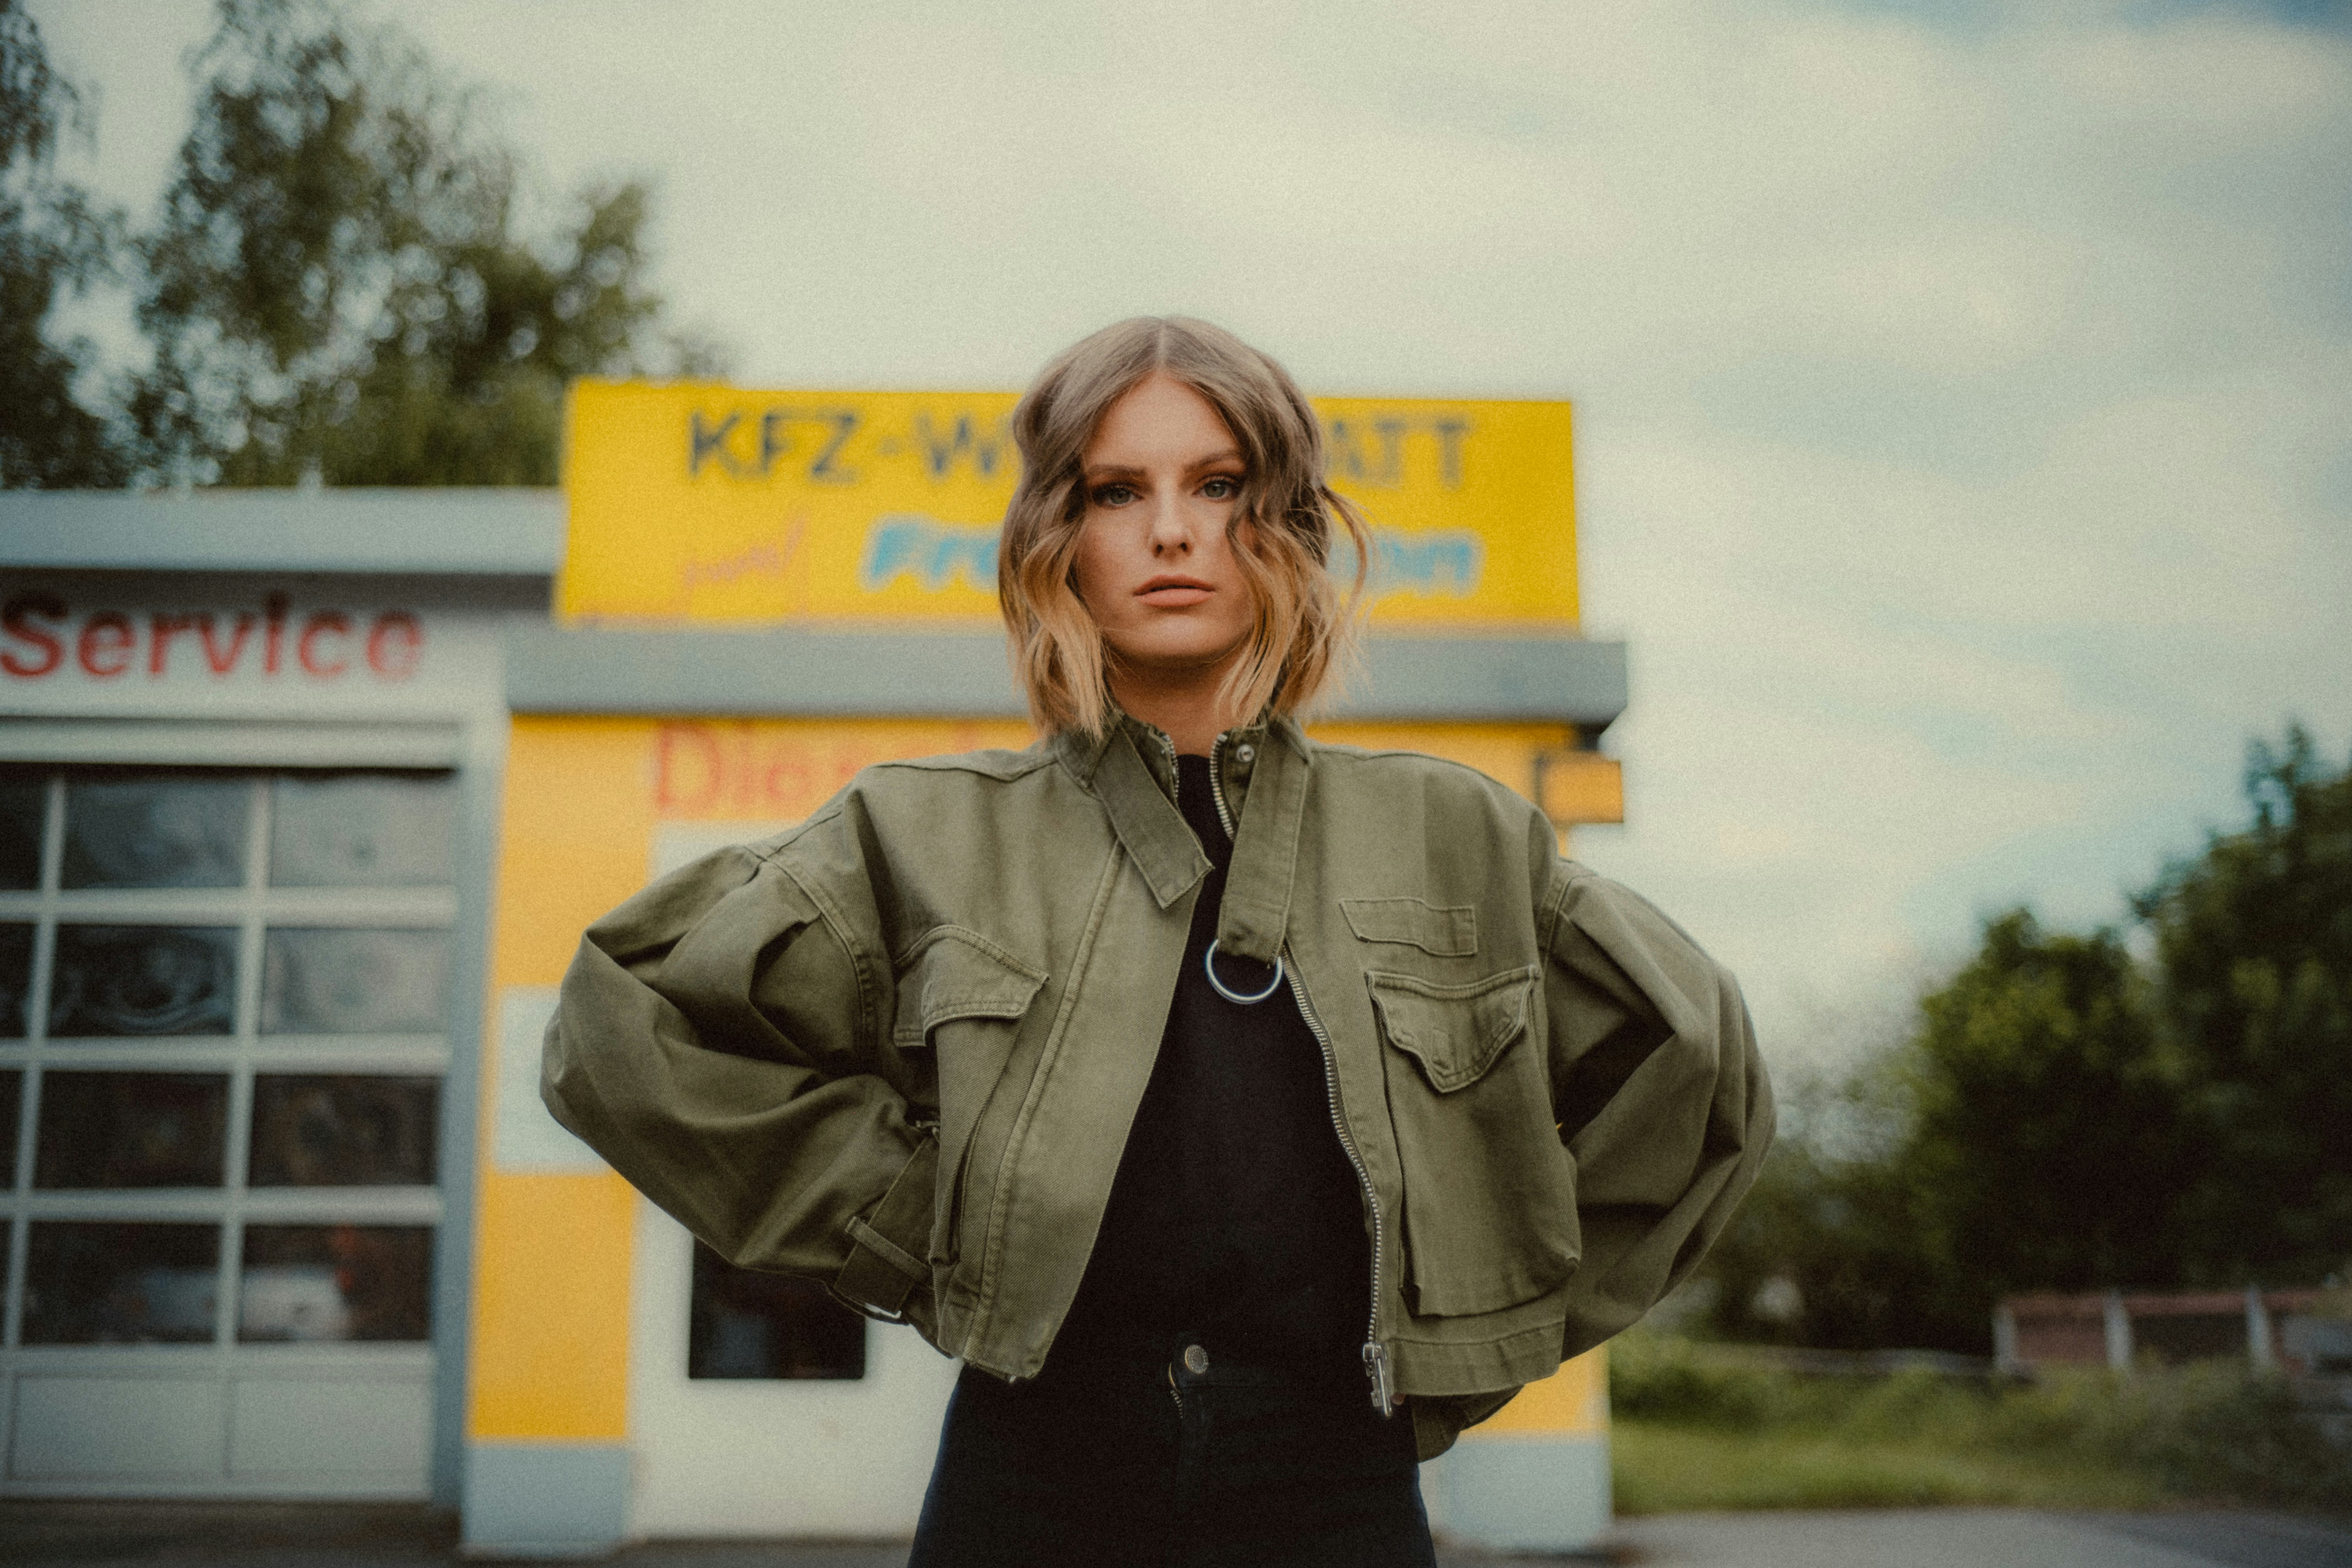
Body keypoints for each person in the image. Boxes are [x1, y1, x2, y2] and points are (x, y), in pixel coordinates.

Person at [542, 316, 1773, 1566]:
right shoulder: (922, 832)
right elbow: (626, 1017)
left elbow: (1702, 1070)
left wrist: (1484, 1309)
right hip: (1031, 1477)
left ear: (1286, 526)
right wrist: (910, 1231)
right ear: (1056, 540)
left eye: (1221, 485)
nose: (1173, 531)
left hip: (1335, 1482)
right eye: (1117, 490)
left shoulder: (1453, 833)